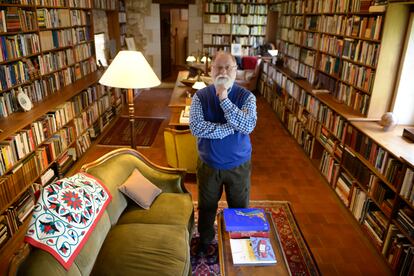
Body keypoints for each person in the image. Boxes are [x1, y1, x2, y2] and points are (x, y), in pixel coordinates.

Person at [189, 51, 257, 255]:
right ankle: (205, 241)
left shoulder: (247, 97)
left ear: (236, 71)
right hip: (209, 164)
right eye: (219, 67)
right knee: (207, 207)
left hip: (239, 165)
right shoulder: (200, 96)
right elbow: (196, 128)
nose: (223, 71)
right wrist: (230, 127)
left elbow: (248, 125)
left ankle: (240, 242)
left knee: (239, 208)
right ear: (211, 70)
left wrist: (224, 99)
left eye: (228, 67)